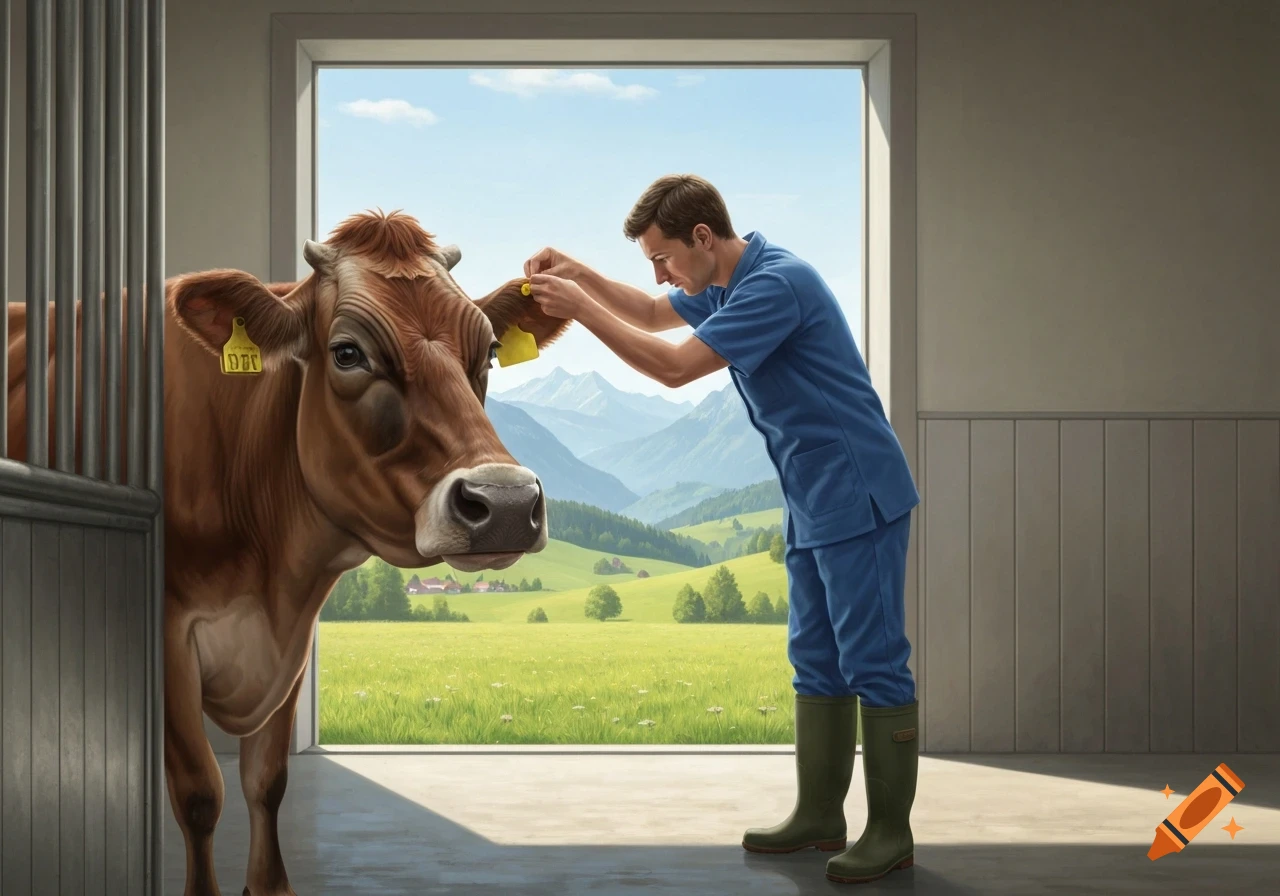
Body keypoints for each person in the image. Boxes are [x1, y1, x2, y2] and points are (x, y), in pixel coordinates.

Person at [523, 173, 920, 886]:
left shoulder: (775, 286)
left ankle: (892, 832)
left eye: (663, 257)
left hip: (857, 489)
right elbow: (652, 314)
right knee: (816, 659)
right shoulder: (726, 282)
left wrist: (579, 309)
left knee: (873, 659)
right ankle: (820, 817)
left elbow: (675, 367)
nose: (660, 274)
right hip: (810, 494)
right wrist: (580, 273)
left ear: (703, 237)